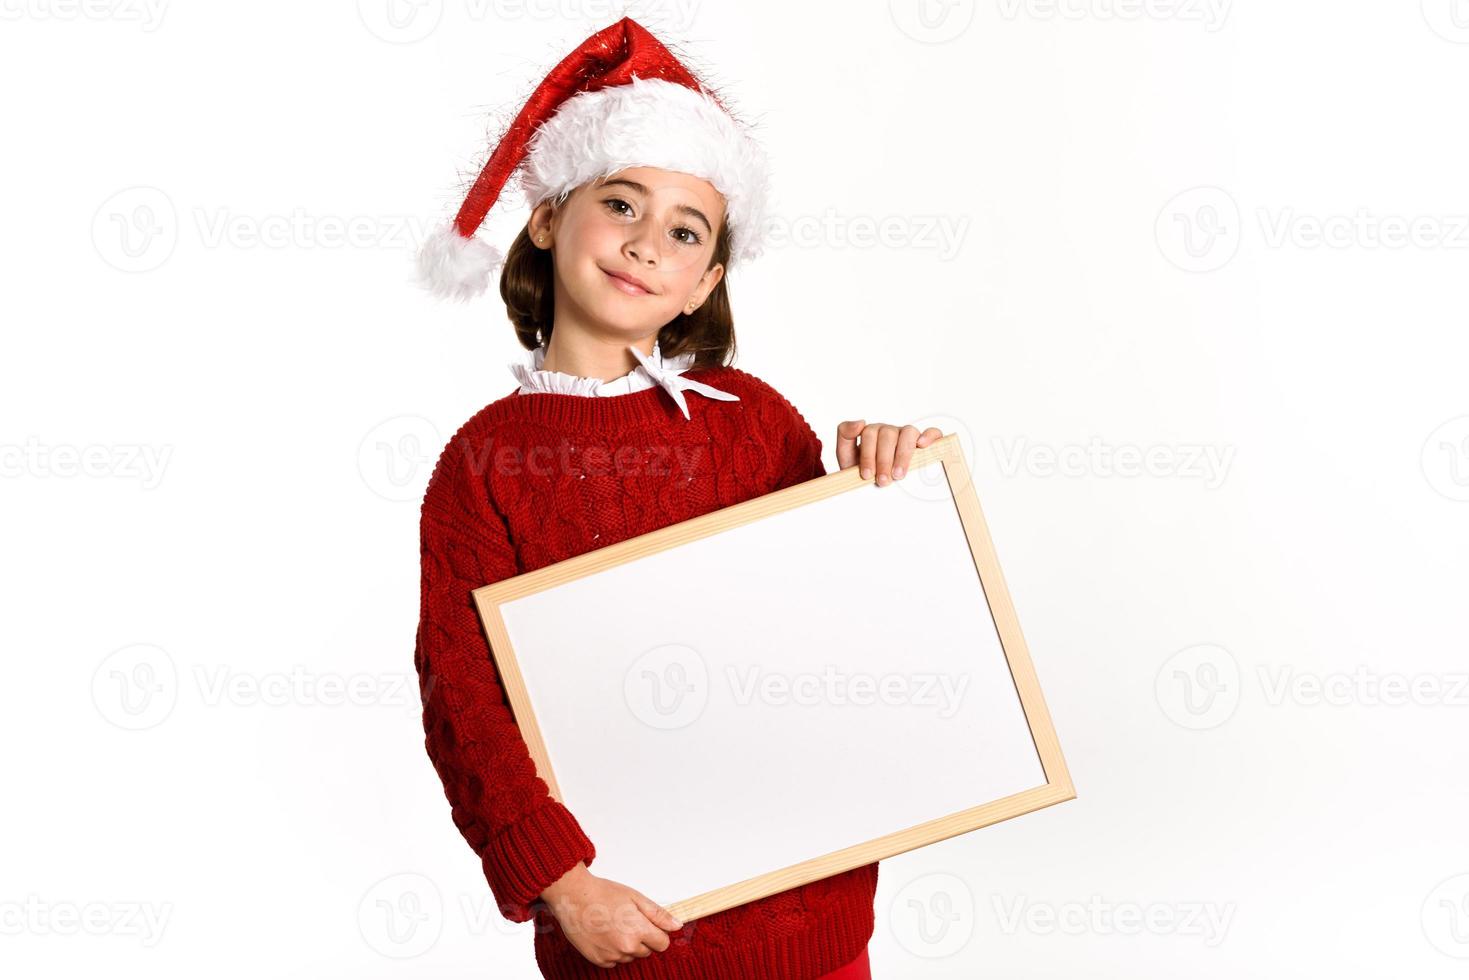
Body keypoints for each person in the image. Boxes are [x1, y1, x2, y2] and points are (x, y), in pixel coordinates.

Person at [413, 18, 939, 979]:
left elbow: (829, 617)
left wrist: (881, 485)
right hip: (629, 936)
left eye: (684, 231)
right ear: (546, 219)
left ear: (705, 282)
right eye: (621, 204)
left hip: (811, 923)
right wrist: (564, 885)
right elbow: (466, 699)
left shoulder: (753, 421)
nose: (646, 244)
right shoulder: (483, 463)